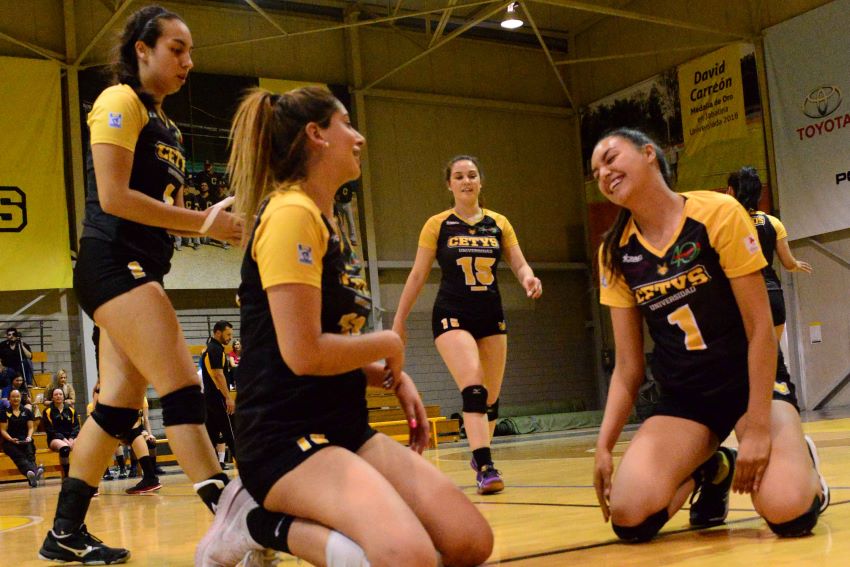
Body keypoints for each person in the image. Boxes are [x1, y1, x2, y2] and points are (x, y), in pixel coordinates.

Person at [195, 87, 494, 567]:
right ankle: (252, 521)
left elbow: (328, 340)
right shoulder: (291, 213)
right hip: (281, 434)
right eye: (347, 125)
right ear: (316, 135)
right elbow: (302, 352)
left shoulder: (331, 221)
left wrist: (385, 372)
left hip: (342, 424)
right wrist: (390, 343)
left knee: (469, 541)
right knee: (408, 557)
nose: (359, 137)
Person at [39, 5, 242, 564]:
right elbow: (114, 198)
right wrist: (205, 223)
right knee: (182, 389)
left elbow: (159, 208)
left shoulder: (168, 126)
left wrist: (209, 221)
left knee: (116, 411)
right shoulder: (118, 102)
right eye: (177, 49)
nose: (188, 62)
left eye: (190, 51)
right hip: (111, 263)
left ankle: (63, 533)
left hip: (140, 267)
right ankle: (234, 521)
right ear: (142, 50)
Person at [590, 127, 827, 543]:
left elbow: (759, 330)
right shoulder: (614, 253)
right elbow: (628, 367)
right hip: (686, 399)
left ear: (649, 154)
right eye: (595, 171)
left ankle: (802, 461)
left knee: (787, 512)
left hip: (750, 384)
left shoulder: (717, 213)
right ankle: (711, 467)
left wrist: (755, 428)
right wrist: (605, 446)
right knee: (630, 518)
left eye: (610, 158)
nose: (603, 172)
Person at [392, 154, 542, 494]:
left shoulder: (499, 223)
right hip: (451, 313)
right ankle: (486, 466)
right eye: (459, 176)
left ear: (480, 181)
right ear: (449, 184)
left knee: (491, 397)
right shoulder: (437, 224)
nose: (466, 181)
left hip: (490, 314)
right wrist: (399, 320)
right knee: (473, 386)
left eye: (472, 175)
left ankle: (480, 453)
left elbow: (520, 265)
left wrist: (529, 279)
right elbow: (417, 275)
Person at [727, 166, 829, 511]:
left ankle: (777, 443)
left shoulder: (725, 221)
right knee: (774, 365)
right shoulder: (772, 222)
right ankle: (791, 438)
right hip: (771, 294)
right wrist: (797, 263)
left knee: (747, 365)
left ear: (730, 190)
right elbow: (785, 262)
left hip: (741, 299)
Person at [200, 320, 236, 470]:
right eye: (228, 334)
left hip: (209, 399)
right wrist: (228, 397)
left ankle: (208, 468)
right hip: (218, 398)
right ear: (218, 332)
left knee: (211, 435)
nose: (230, 338)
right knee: (231, 432)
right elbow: (218, 375)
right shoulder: (215, 349)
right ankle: (248, 468)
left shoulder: (211, 348)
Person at [1, 389, 44, 487]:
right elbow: (3, 430)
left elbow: (31, 427)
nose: (15, 399)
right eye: (13, 397)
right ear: (9, 399)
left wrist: (29, 437)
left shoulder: (27, 411)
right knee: (20, 457)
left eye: (17, 396)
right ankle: (34, 472)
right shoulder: (4, 413)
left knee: (30, 455)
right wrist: (10, 439)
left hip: (24, 439)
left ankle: (32, 477)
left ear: (20, 398)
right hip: (9, 442)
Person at [43, 388, 80, 479]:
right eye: (56, 394)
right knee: (65, 449)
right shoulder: (47, 411)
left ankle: (80, 474)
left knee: (81, 448)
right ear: (52, 398)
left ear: (64, 397)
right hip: (55, 438)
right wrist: (64, 439)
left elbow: (76, 427)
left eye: (60, 394)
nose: (58, 396)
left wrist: (71, 438)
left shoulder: (71, 410)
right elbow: (50, 430)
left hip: (70, 437)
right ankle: (67, 476)